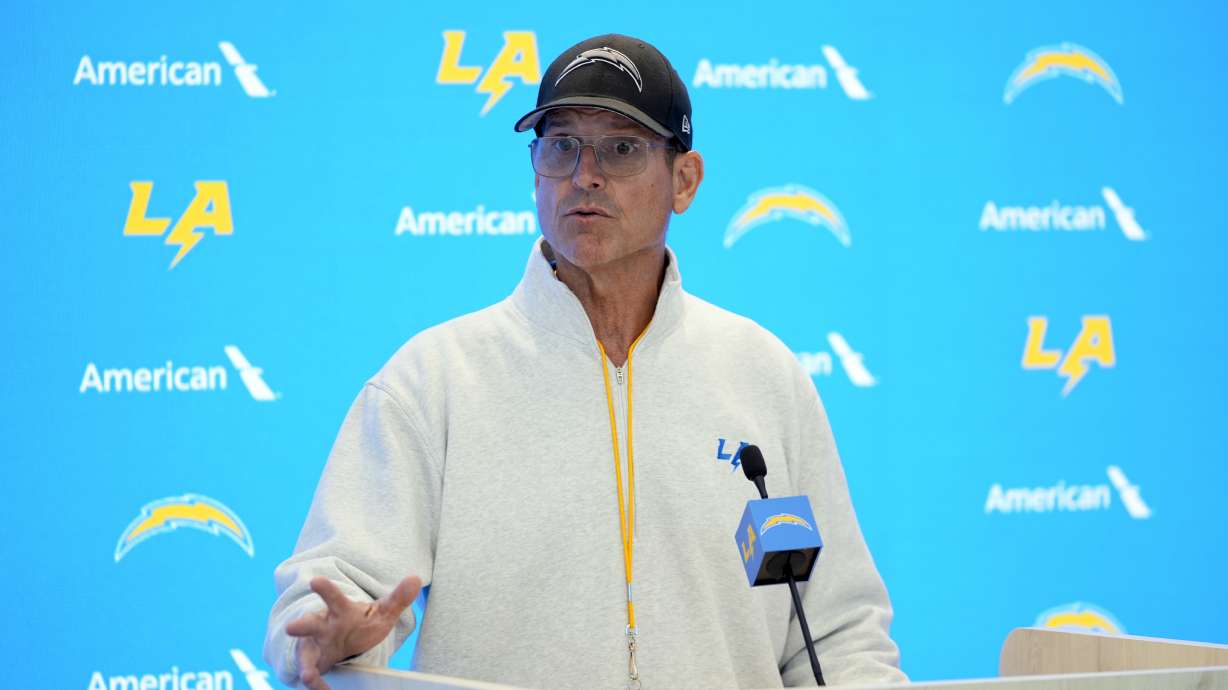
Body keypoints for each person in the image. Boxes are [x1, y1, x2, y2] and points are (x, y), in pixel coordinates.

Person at [264, 33, 907, 690]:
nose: (584, 174)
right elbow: (329, 601)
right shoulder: (434, 381)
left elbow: (836, 634)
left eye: (622, 149)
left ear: (684, 181)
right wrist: (325, 639)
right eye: (561, 145)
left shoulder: (762, 379)